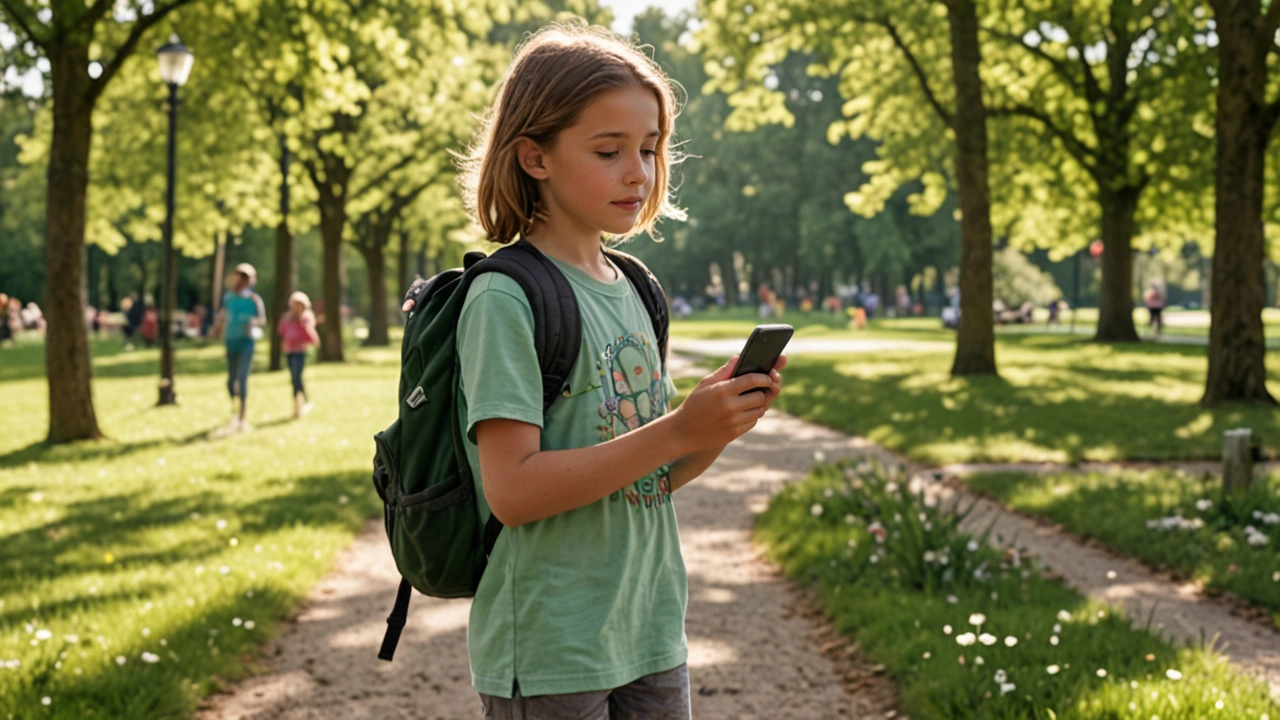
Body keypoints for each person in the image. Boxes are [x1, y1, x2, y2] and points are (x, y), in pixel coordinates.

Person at [454, 22, 784, 719]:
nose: (639, 171)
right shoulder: (505, 297)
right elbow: (512, 490)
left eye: (650, 149)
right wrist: (672, 432)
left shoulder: (634, 287)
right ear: (533, 157)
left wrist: (712, 428)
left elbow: (650, 478)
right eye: (609, 151)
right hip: (552, 649)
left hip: (650, 629)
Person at [212, 263, 266, 432]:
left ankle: (242, 415)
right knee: (230, 381)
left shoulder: (254, 300)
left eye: (245, 277)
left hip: (246, 343)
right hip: (231, 341)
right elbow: (223, 315)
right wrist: (218, 328)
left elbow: (262, 321)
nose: (241, 280)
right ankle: (235, 407)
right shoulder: (229, 298)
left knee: (242, 379)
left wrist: (252, 324)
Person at [277, 291, 320, 418]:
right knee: (294, 378)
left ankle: (299, 404)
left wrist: (304, 325)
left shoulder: (306, 318)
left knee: (297, 376)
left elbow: (313, 338)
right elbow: (282, 333)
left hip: (301, 351)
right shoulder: (286, 318)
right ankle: (302, 401)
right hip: (289, 351)